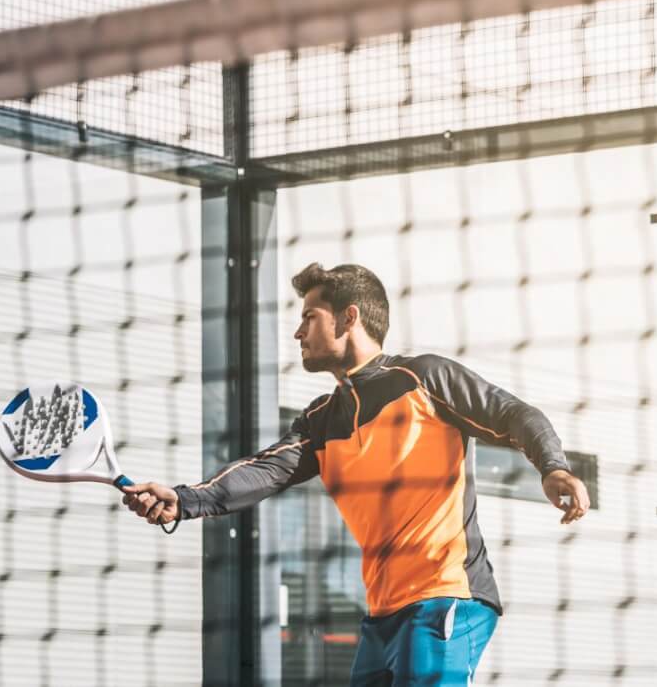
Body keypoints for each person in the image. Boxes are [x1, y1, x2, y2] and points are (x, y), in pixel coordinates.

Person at [122, 262, 590, 685]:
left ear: (349, 318)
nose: (298, 333)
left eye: (309, 317)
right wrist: (184, 500)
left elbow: (514, 414)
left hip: (446, 596)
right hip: (382, 615)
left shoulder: (423, 378)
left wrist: (553, 467)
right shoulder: (321, 419)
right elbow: (265, 470)